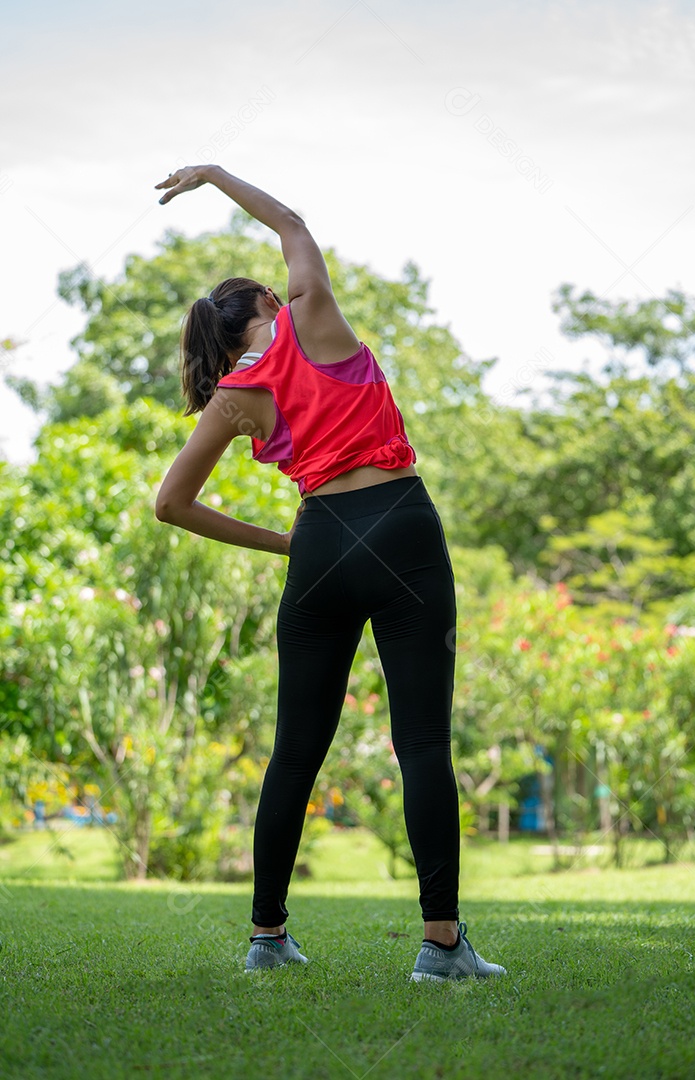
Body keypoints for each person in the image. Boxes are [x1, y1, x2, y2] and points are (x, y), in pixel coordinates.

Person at [153, 164, 506, 983]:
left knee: (294, 753)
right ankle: (441, 947)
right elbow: (292, 222)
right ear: (273, 306)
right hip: (403, 527)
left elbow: (171, 504)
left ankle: (267, 939)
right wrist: (213, 174)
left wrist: (291, 546)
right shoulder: (315, 317)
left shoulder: (235, 396)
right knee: (421, 742)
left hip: (320, 543)